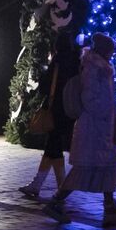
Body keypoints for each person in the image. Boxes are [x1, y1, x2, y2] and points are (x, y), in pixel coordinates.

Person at [42, 34, 116, 225]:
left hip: (102, 128)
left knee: (107, 166)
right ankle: (55, 202)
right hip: (94, 129)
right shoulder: (94, 69)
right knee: (84, 169)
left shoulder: (101, 68)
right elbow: (90, 98)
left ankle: (110, 206)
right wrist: (107, 114)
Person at [19, 29, 81, 201]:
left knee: (53, 149)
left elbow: (45, 87)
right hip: (69, 111)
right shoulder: (76, 62)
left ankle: (60, 188)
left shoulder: (58, 61)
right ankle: (38, 184)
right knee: (52, 148)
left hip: (55, 109)